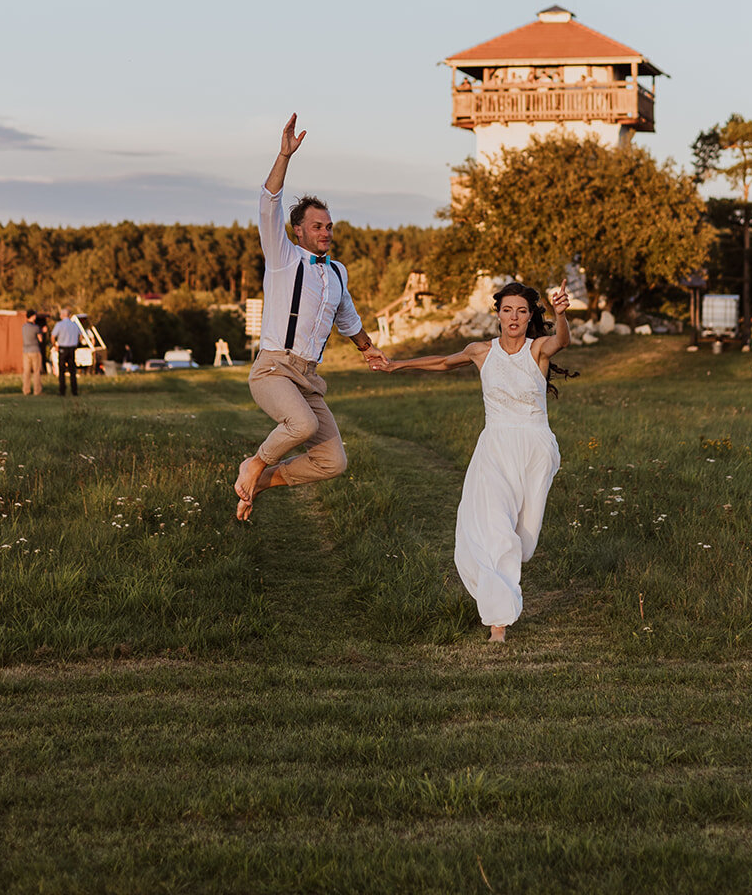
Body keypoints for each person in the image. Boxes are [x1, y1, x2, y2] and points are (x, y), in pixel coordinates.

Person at [371, 279, 574, 643]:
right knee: (492, 525)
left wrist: (561, 315)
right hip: (494, 446)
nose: (514, 317)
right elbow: (443, 362)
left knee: (522, 540)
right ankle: (499, 622)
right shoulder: (481, 351)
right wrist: (396, 365)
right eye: (507, 310)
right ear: (497, 314)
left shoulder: (538, 350)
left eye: (522, 311)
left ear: (530, 317)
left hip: (533, 449)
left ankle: (504, 592)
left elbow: (562, 341)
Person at [233, 115, 388, 519]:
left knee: (333, 462)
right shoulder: (283, 258)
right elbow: (268, 202)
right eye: (317, 226)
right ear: (297, 231)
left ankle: (262, 483)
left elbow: (349, 320)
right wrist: (284, 155)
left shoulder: (337, 272)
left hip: (308, 377)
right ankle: (255, 464)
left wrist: (368, 349)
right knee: (299, 426)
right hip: (274, 370)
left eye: (329, 226)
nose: (326, 232)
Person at [51, 307, 82, 397]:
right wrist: (77, 345)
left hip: (62, 349)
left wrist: (55, 346)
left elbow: (53, 336)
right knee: (72, 371)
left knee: (62, 370)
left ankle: (62, 391)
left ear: (63, 315)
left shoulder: (59, 324)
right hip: (72, 349)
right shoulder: (74, 325)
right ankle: (74, 391)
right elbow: (81, 336)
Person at [21, 308, 43, 397]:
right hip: (35, 350)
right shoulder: (36, 328)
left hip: (25, 351)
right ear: (33, 316)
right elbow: (40, 339)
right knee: (36, 371)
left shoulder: (23, 327)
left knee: (26, 371)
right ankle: (37, 391)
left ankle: (26, 390)